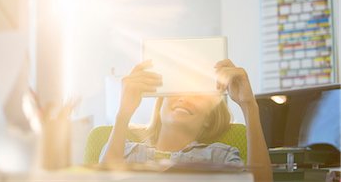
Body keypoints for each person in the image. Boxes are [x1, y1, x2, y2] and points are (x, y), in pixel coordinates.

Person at [100, 59, 272, 182]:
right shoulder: (124, 151)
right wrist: (123, 113)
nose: (185, 98)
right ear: (161, 104)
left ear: (208, 118)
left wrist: (249, 106)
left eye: (198, 94)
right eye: (178, 90)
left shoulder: (220, 156)